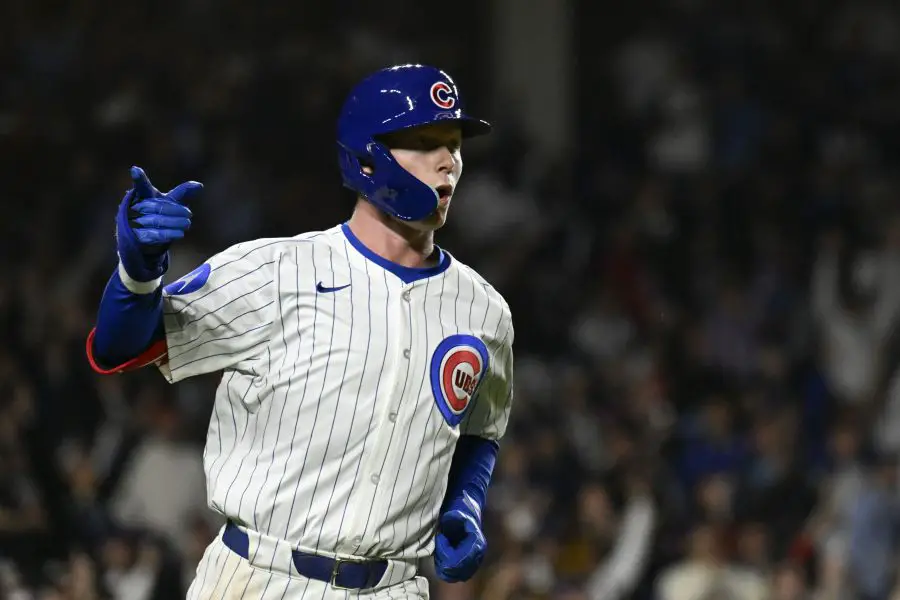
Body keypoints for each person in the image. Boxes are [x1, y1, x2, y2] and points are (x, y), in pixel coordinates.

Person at [85, 63, 514, 599]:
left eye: (454, 143)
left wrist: (465, 503)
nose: (449, 161)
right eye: (426, 141)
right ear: (367, 155)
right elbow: (119, 348)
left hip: (393, 587)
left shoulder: (484, 311)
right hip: (259, 577)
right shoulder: (276, 269)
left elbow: (481, 430)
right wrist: (138, 274)